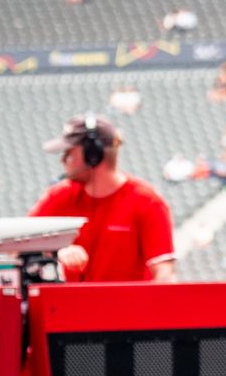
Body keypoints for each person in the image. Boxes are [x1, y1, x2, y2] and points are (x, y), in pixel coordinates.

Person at [30, 114, 175, 282]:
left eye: (69, 152)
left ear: (93, 154)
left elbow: (164, 274)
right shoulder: (59, 195)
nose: (63, 160)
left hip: (128, 307)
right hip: (70, 307)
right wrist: (56, 251)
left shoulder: (147, 202)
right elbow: (17, 245)